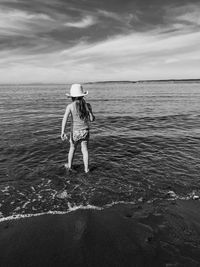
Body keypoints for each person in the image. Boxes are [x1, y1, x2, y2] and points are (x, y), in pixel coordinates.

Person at [61, 84, 95, 173]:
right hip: (85, 131)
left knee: (72, 148)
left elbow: (64, 119)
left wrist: (62, 132)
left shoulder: (70, 106)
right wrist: (90, 111)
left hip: (75, 132)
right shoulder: (87, 105)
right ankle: (86, 169)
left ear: (72, 97)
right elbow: (92, 120)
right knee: (85, 150)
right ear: (82, 95)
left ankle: (69, 166)